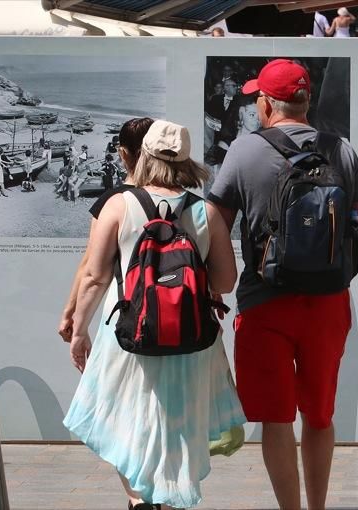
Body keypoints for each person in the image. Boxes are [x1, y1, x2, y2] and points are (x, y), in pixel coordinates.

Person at [208, 59, 358, 510]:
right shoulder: (342, 151)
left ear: (267, 104)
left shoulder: (243, 152)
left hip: (264, 303)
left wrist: (216, 283)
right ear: (306, 101)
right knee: (319, 415)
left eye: (257, 99)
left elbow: (216, 219)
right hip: (328, 303)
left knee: (276, 420)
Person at [62, 119, 246, 509]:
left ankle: (139, 500)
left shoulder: (119, 204)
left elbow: (94, 277)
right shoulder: (206, 212)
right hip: (189, 339)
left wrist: (79, 330)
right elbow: (226, 282)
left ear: (142, 154)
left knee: (126, 424)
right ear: (186, 161)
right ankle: (167, 496)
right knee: (174, 430)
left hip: (129, 335)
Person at [58, 118, 154, 343]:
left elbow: (91, 268)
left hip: (127, 313)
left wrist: (70, 314)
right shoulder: (183, 201)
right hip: (179, 314)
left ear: (122, 153)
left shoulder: (112, 201)